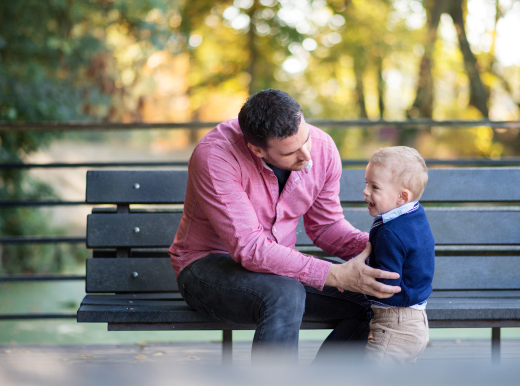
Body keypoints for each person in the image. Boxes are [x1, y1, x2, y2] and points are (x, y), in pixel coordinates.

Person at [168, 89, 401, 362]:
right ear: (257, 149)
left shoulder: (323, 148)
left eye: (307, 140)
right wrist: (335, 275)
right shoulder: (215, 156)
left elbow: (326, 227)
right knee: (284, 293)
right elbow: (250, 248)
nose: (308, 157)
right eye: (292, 152)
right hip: (205, 269)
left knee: (370, 299)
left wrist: (385, 244)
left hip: (279, 271)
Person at [362, 146, 435, 365]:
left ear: (402, 196)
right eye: (366, 183)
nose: (365, 191)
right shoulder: (415, 215)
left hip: (393, 325)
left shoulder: (390, 233)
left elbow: (386, 284)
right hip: (416, 321)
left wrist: (355, 281)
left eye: (375, 187)